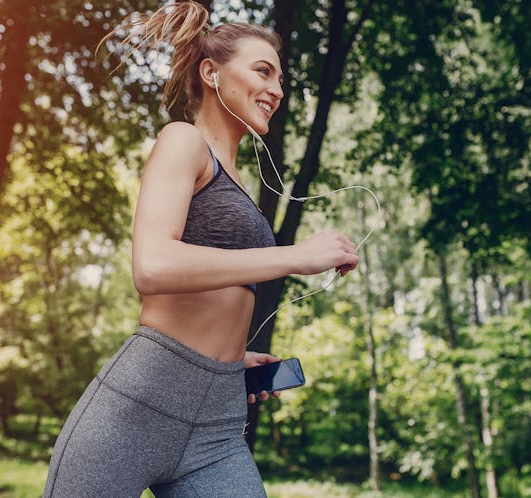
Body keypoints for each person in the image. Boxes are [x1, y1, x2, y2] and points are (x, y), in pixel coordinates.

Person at [43, 2, 358, 496]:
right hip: (139, 408)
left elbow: (217, 290)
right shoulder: (183, 141)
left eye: (280, 79)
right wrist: (296, 256)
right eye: (263, 72)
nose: (276, 90)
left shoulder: (239, 182)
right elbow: (153, 266)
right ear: (211, 73)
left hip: (218, 423)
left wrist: (229, 359)